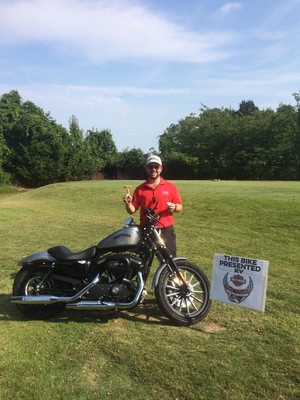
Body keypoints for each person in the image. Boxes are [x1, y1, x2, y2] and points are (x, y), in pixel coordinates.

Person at [123, 155, 182, 256]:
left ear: (161, 169)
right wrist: (128, 204)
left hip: (165, 229)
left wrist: (174, 207)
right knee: (143, 262)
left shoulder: (170, 187)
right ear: (146, 168)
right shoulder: (140, 189)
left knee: (169, 260)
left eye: (156, 166)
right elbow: (132, 210)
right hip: (146, 230)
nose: (153, 169)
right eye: (150, 166)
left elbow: (180, 207)